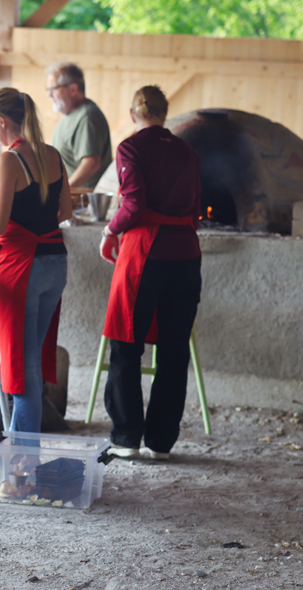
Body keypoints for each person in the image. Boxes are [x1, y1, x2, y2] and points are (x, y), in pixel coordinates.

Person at [0, 88, 73, 436]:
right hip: (55, 263)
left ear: (2, 121)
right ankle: (17, 447)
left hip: (23, 269)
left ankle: (23, 466)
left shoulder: (9, 160)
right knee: (33, 363)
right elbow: (65, 212)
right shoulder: (52, 154)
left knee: (20, 371)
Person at [99, 86, 202, 461]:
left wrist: (110, 230)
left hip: (146, 251)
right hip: (187, 253)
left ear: (132, 114)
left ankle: (126, 437)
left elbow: (134, 205)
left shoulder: (131, 148)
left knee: (127, 343)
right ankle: (161, 441)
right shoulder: (188, 152)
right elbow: (194, 212)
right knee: (175, 350)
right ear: (165, 112)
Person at [45, 61, 112, 195]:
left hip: (84, 200)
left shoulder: (87, 117)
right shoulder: (70, 115)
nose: (49, 95)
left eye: (53, 89)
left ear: (73, 90)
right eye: (48, 90)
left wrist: (62, 192)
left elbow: (91, 163)